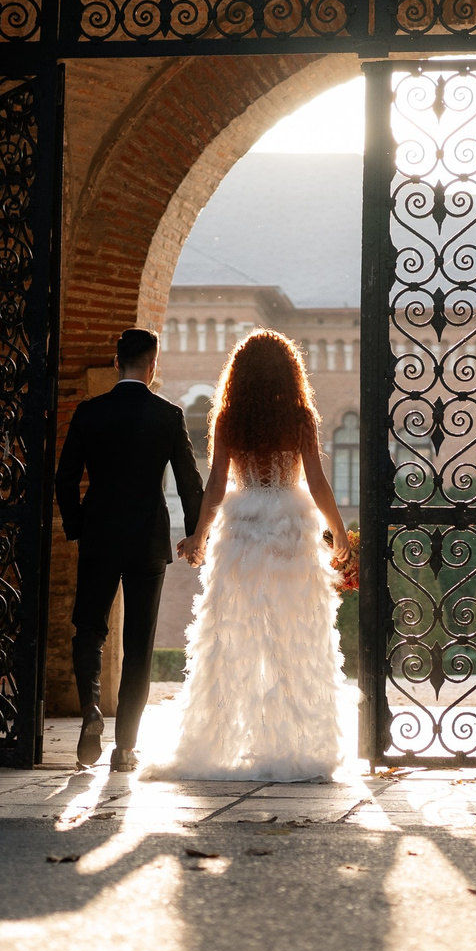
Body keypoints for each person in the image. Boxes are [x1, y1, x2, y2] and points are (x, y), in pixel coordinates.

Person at [153, 330, 353, 782]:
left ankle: (226, 743)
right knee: (294, 635)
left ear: (238, 375)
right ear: (289, 371)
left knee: (234, 632)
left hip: (243, 530)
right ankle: (293, 745)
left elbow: (218, 484)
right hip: (289, 527)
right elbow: (318, 482)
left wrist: (199, 535)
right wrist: (337, 532)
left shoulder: (229, 417)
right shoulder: (301, 416)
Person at [56, 327, 203, 772]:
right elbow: (189, 483)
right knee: (139, 644)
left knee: (88, 628)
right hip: (147, 540)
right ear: (152, 366)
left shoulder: (89, 412)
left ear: (117, 362)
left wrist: (79, 526)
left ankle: (90, 712)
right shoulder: (168, 415)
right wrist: (195, 534)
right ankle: (125, 749)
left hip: (99, 532)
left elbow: (65, 479)